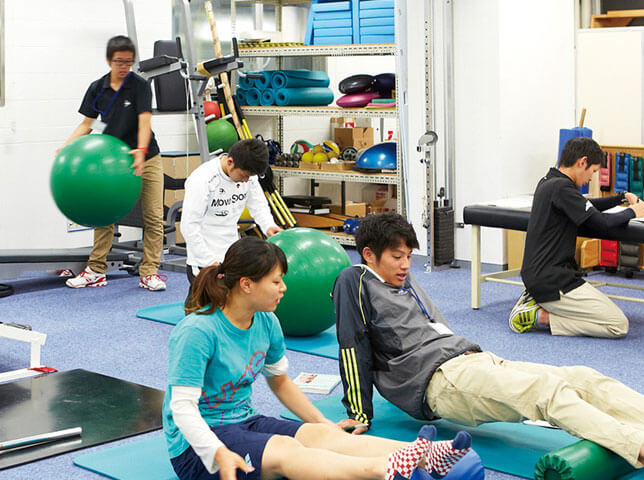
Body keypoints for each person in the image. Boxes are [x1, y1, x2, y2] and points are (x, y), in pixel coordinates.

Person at [333, 213, 644, 478]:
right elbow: (352, 345)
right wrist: (359, 411)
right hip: (438, 381)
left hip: (472, 360)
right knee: (545, 393)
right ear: (369, 254)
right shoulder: (355, 280)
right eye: (396, 257)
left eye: (408, 256)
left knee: (583, 377)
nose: (406, 265)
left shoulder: (403, 281)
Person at [164, 236, 473, 480]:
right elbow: (182, 408)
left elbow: (281, 383)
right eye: (276, 281)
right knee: (286, 448)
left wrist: (325, 424)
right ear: (246, 284)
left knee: (321, 435)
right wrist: (216, 451)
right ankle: (385, 469)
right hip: (196, 447)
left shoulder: (266, 322)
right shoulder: (198, 331)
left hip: (245, 421)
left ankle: (426, 455)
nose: (284, 289)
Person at [510, 137, 644, 338]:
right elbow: (602, 223)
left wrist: (621, 197)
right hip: (553, 280)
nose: (591, 178)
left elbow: (587, 207)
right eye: (593, 171)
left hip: (541, 274)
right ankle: (539, 316)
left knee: (610, 320)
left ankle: (537, 300)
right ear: (582, 162)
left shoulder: (550, 181)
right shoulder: (562, 188)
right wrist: (633, 212)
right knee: (618, 325)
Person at [60, 35, 166, 291]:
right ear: (109, 60)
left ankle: (149, 273)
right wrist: (67, 147)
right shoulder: (98, 89)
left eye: (129, 62)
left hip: (147, 156)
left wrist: (141, 151)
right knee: (104, 214)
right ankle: (96, 270)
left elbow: (144, 122)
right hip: (112, 163)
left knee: (154, 217)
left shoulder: (140, 86)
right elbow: (87, 124)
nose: (124, 67)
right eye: (119, 61)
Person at [181, 138, 282, 310]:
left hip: (231, 253)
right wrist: (209, 262)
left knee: (232, 308)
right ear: (230, 162)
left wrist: (268, 226)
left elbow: (258, 204)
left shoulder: (248, 176)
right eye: (243, 176)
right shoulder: (202, 179)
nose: (246, 181)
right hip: (203, 258)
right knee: (203, 312)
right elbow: (189, 226)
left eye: (249, 177)